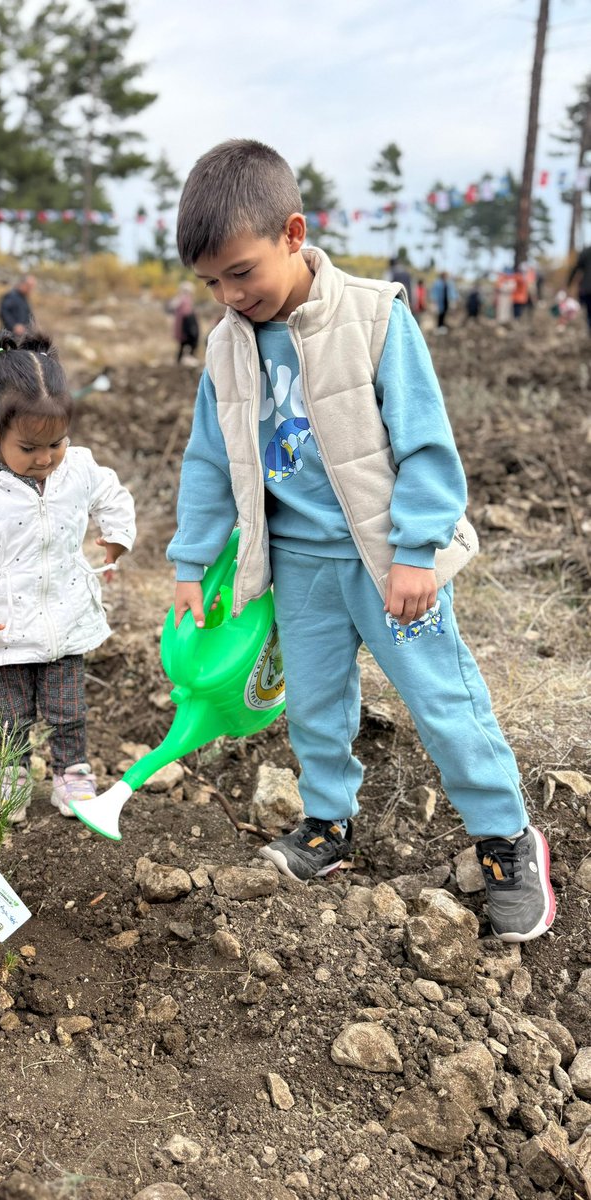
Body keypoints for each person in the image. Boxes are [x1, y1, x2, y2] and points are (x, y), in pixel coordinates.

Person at [166, 138, 556, 944]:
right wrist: (189, 559)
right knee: (312, 705)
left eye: (242, 273)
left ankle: (507, 839)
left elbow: (425, 444)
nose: (230, 296)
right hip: (298, 566)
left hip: (388, 564)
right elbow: (209, 458)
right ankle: (327, 826)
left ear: (293, 234)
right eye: (211, 283)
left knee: (441, 700)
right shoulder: (225, 347)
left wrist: (415, 551)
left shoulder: (375, 316)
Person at [0, 329, 136, 822]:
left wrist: (116, 535)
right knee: (10, 716)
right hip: (1, 628)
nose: (44, 459)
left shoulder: (77, 468)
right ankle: (11, 777)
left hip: (65, 617)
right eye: (30, 447)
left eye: (56, 444)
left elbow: (113, 495)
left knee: (68, 710)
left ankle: (71, 776)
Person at [170, 281, 200, 362]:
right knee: (189, 344)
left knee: (182, 345)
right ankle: (183, 361)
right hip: (186, 328)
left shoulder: (179, 300)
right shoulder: (185, 301)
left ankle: (179, 361)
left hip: (182, 328)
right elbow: (187, 315)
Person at [567, 245, 591, 334]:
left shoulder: (586, 251)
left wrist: (568, 283)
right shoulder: (586, 252)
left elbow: (576, 268)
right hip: (587, 288)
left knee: (589, 313)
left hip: (587, 289)